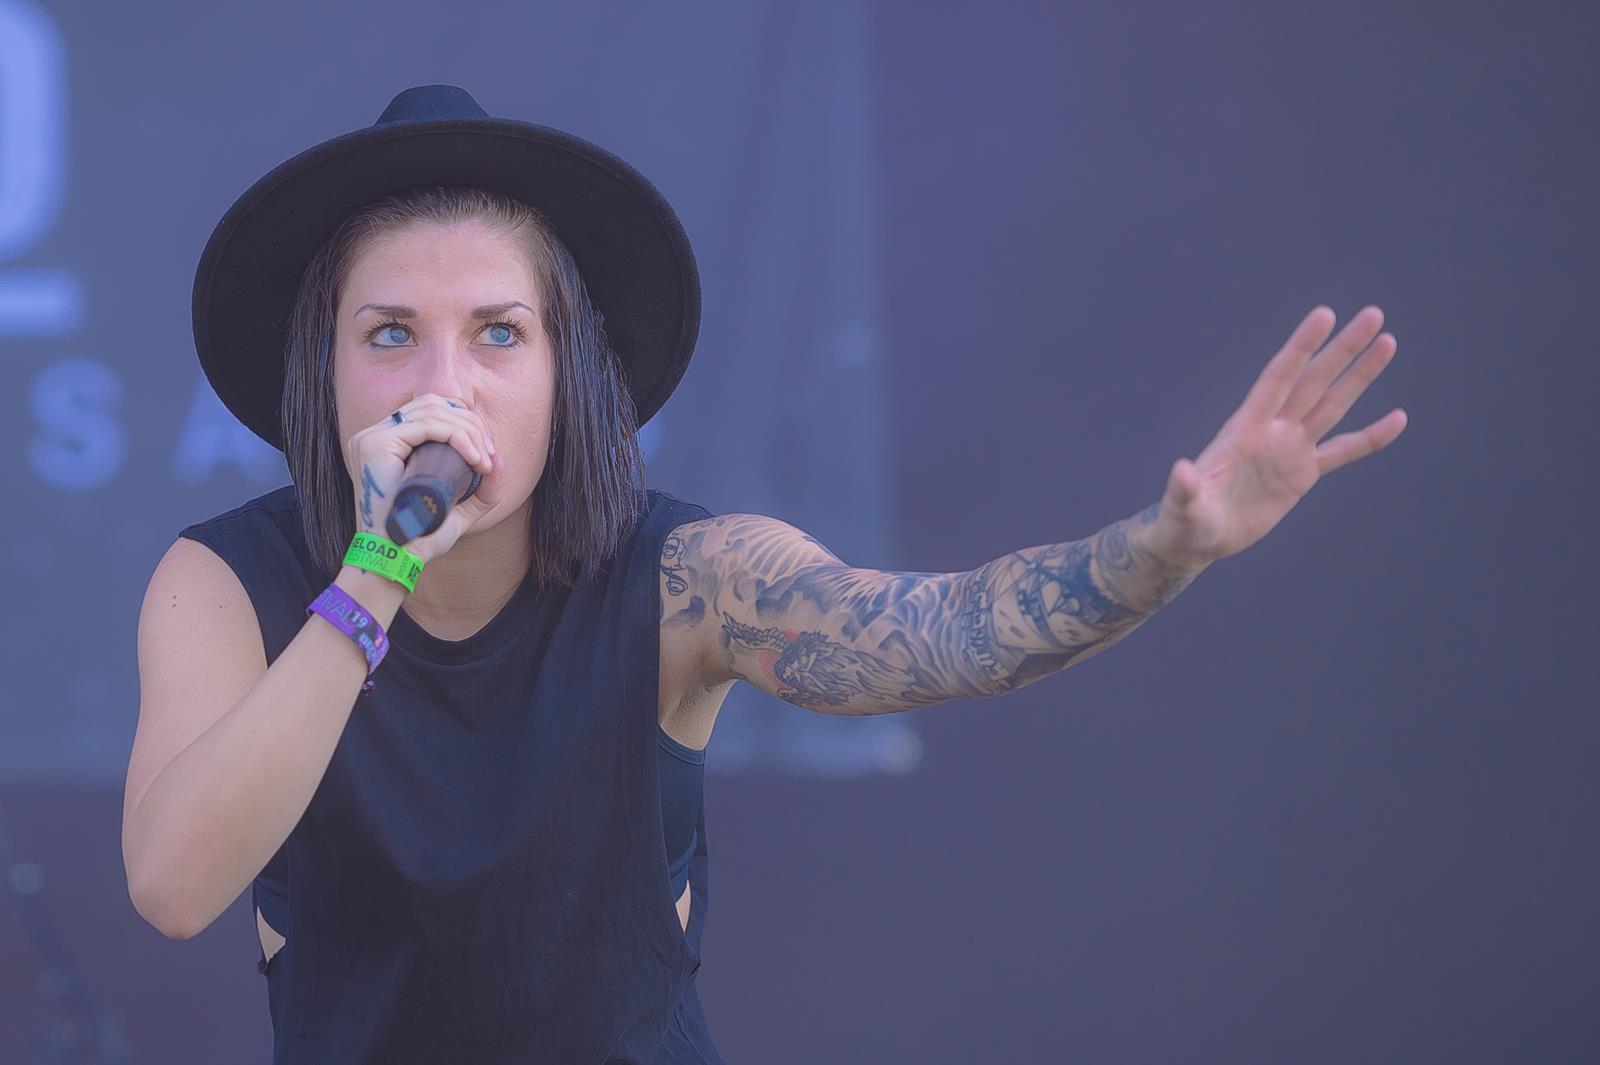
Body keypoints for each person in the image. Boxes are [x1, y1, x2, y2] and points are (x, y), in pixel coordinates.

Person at [120, 84, 1407, 1064]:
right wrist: (378, 570)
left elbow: (944, 633)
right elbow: (174, 887)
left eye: (498, 333)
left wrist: (1165, 549)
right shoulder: (224, 582)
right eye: (390, 333)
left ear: (569, 374)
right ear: (326, 370)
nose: (443, 383)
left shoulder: (688, 577)